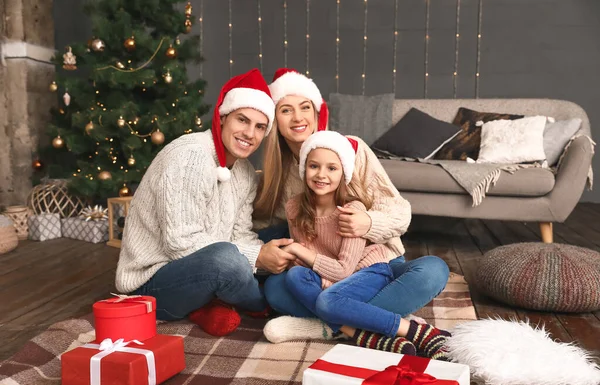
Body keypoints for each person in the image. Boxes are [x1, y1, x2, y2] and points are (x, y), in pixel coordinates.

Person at [255, 68, 451, 356]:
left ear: (316, 111)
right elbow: (268, 228)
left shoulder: (351, 149)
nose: (298, 118)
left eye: (305, 107)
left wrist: (368, 222)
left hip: (373, 266)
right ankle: (362, 326)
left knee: (433, 270)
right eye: (286, 110)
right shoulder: (277, 175)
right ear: (275, 120)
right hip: (322, 271)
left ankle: (327, 326)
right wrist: (261, 255)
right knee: (275, 289)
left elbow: (399, 211)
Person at [115, 69, 297, 337]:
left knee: (284, 235)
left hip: (204, 265)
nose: (249, 133)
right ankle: (264, 303)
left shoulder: (244, 172)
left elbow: (240, 234)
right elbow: (180, 244)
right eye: (242, 120)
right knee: (228, 263)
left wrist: (269, 253)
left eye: (260, 127)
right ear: (223, 118)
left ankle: (215, 301)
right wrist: (258, 258)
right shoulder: (190, 156)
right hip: (153, 282)